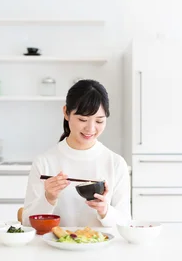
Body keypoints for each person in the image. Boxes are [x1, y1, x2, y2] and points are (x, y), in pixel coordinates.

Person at [22, 79, 131, 227]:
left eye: (99, 121)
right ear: (66, 113)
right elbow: (27, 223)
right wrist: (49, 198)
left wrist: (105, 211)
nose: (91, 129)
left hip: (102, 249)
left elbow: (126, 224)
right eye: (83, 119)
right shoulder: (44, 162)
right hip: (55, 248)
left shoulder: (116, 163)